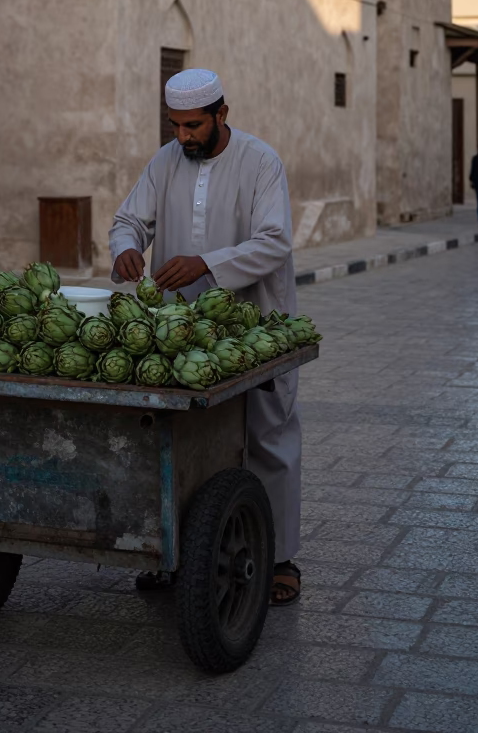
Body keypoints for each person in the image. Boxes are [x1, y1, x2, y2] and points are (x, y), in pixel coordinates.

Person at [109, 68, 302, 606]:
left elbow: (274, 243)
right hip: (181, 334)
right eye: (175, 126)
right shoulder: (164, 162)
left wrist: (205, 265)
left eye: (193, 126)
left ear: (222, 114)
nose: (183, 137)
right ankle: (168, 551)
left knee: (268, 436)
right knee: (181, 439)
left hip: (257, 323)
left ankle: (280, 556)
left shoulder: (261, 162)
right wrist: (126, 247)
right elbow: (129, 219)